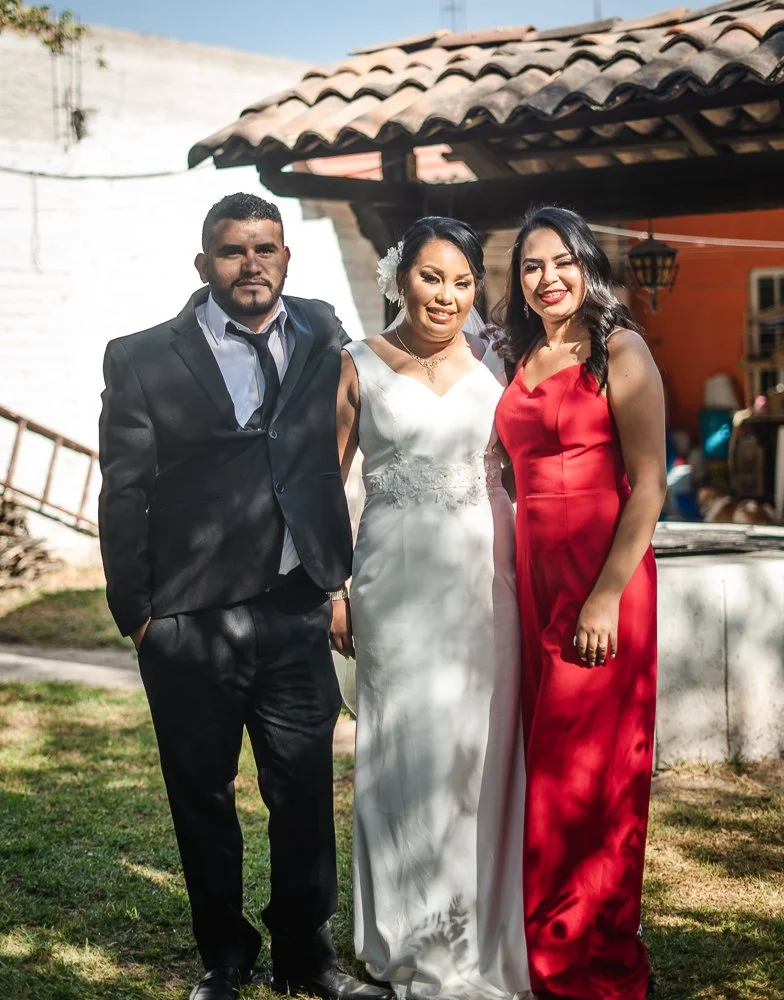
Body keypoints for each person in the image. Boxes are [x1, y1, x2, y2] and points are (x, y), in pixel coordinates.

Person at [98, 192, 392, 1000]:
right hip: (189, 619)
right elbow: (123, 492)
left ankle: (307, 956)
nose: (251, 263)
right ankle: (224, 956)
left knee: (302, 789)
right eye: (233, 251)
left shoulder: (323, 328)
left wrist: (336, 578)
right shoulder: (141, 358)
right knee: (203, 794)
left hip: (296, 604)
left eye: (266, 248)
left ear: (287, 259)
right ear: (205, 265)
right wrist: (140, 615)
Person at [334, 217, 530, 999]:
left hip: (489, 588)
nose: (445, 296)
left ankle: (484, 931)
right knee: (405, 758)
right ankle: (406, 942)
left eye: (461, 281)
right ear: (399, 277)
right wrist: (330, 589)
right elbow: (321, 484)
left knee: (480, 756)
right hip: (393, 586)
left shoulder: (500, 362)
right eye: (430, 277)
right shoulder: (354, 365)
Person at [493, 205, 665, 1000]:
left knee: (584, 772)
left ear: (587, 263)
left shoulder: (619, 349)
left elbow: (651, 483)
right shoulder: (518, 353)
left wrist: (603, 598)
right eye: (531, 266)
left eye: (560, 260)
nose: (547, 277)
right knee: (549, 760)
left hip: (604, 578)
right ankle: (543, 944)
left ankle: (577, 958)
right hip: (534, 575)